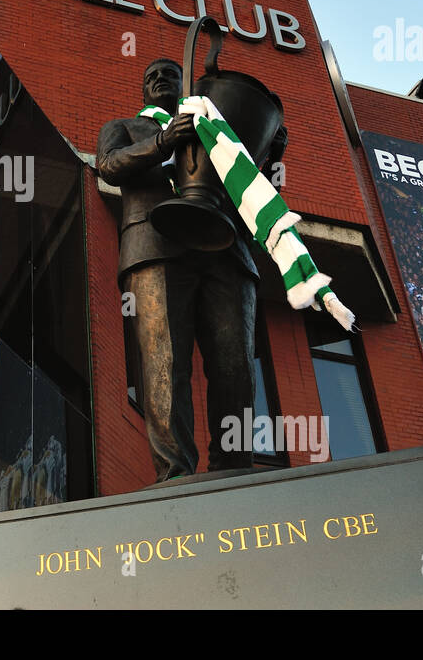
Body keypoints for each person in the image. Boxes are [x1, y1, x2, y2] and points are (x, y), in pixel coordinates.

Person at [97, 57, 286, 481]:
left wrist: (273, 150)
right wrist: (162, 143)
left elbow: (258, 191)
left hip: (225, 251)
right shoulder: (126, 127)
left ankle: (233, 469)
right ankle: (175, 474)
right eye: (151, 75)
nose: (160, 79)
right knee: (165, 363)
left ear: (184, 84)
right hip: (155, 248)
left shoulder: (217, 129)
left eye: (169, 74)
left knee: (235, 366)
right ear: (143, 89)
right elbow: (108, 166)